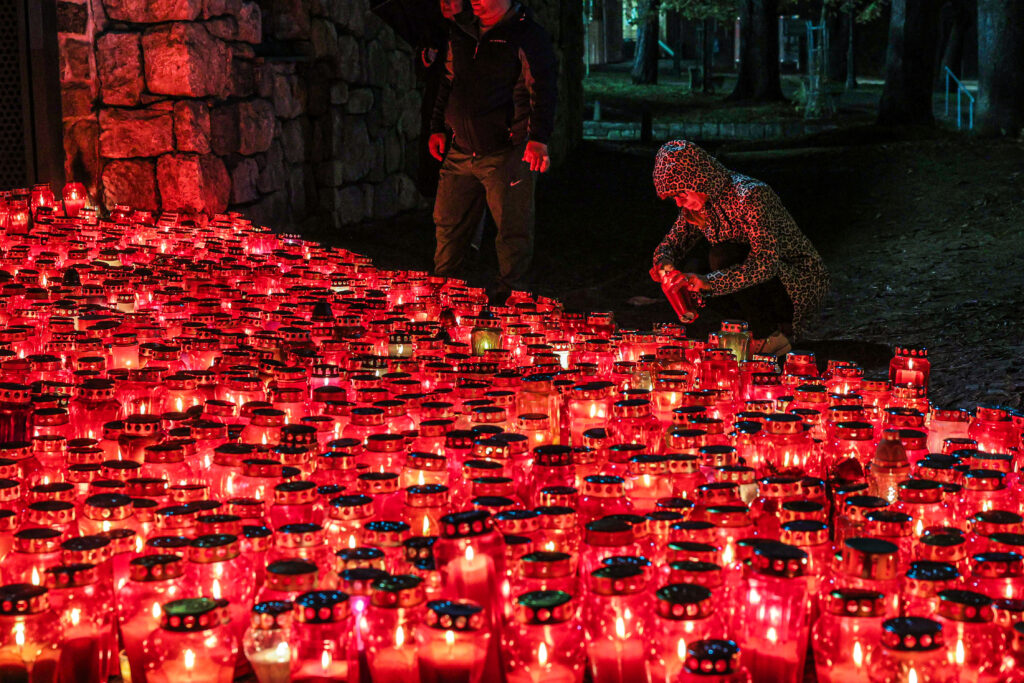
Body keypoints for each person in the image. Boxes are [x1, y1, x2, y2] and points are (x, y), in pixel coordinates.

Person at [429, 0, 558, 303]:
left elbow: (543, 87)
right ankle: (446, 293)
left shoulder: (526, 35)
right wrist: (438, 125)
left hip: (507, 151)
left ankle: (512, 300)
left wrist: (538, 138)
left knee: (512, 229)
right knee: (448, 223)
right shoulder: (461, 31)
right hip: (460, 149)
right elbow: (448, 81)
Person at [650, 140, 829, 355]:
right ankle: (752, 329)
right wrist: (664, 265)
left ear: (698, 179)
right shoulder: (701, 206)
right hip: (757, 285)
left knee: (722, 256)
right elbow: (672, 242)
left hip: (795, 283)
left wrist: (709, 282)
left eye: (681, 194)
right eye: (673, 198)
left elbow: (765, 264)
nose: (679, 203)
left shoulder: (750, 195)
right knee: (693, 269)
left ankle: (769, 335)